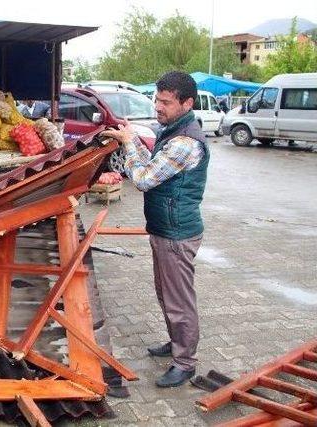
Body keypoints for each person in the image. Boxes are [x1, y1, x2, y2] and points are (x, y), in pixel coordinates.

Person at [100, 71, 209, 388]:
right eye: (157, 99)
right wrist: (131, 141)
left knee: (178, 300)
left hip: (177, 233)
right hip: (165, 229)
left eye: (165, 101)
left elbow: (144, 178)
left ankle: (185, 361)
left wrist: (129, 141)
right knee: (166, 294)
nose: (158, 106)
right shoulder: (173, 131)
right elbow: (153, 164)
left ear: (186, 103)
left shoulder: (186, 142)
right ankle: (177, 343)